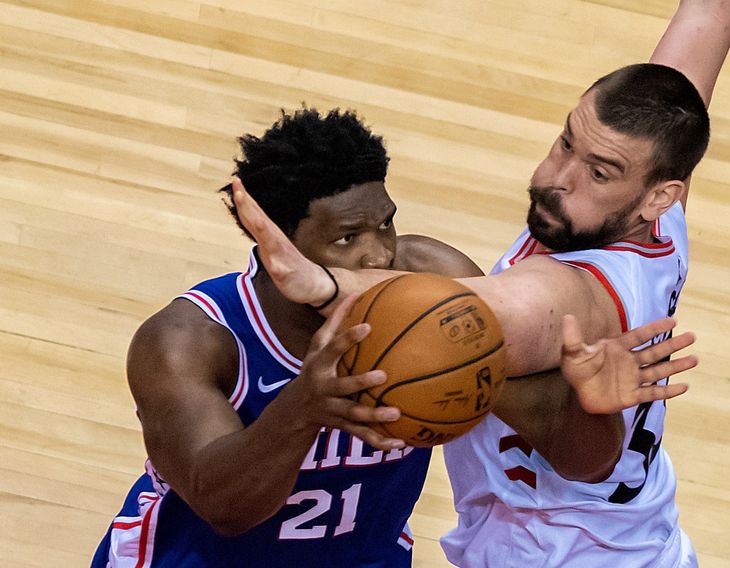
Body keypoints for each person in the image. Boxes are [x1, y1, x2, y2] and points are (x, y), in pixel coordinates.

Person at [230, 1, 730, 566]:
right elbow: (703, 27)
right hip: (643, 536)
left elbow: (451, 314)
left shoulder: (572, 295)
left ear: (658, 194)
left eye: (598, 172)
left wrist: (324, 283)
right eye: (567, 142)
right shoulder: (657, 216)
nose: (557, 179)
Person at [91, 108, 691, 567]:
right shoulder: (191, 339)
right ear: (276, 237)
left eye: (385, 222)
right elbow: (224, 507)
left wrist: (584, 403)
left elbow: (584, 460)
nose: (379, 252)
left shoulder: (436, 281)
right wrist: (307, 404)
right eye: (347, 237)